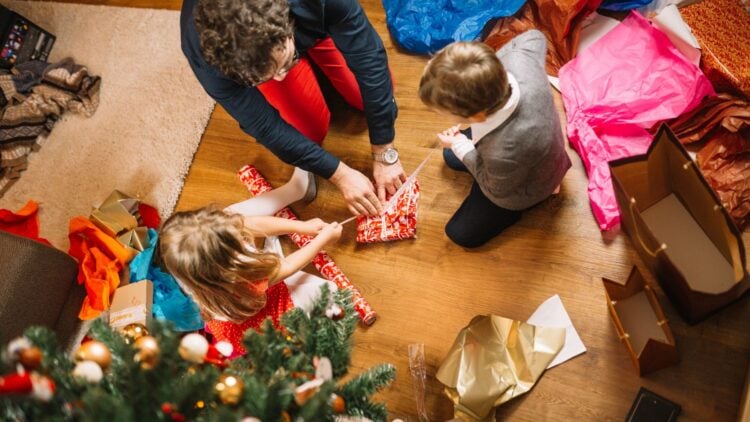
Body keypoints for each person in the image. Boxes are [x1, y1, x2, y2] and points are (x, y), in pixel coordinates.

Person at [180, 0, 407, 217]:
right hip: (274, 50)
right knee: (308, 132)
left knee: (375, 91)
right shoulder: (204, 55)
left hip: (316, 22)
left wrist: (384, 150)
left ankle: (305, 50)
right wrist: (340, 175)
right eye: (264, 78)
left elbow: (368, 58)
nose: (281, 78)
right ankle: (279, 65)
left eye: (287, 63)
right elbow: (265, 127)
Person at [419, 30, 571, 248]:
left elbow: (496, 191)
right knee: (450, 154)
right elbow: (536, 36)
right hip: (533, 138)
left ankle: (535, 199)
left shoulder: (503, 151)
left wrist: (461, 145)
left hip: (524, 185)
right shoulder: (519, 59)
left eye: (443, 112)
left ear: (477, 116)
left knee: (459, 234)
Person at [159, 176, 343, 355]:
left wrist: (302, 227)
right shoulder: (241, 280)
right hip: (261, 321)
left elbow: (251, 224)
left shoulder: (192, 267)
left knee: (234, 214)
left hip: (241, 299)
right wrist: (321, 240)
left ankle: (296, 189)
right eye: (239, 239)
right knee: (327, 290)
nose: (243, 233)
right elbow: (286, 266)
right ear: (227, 262)